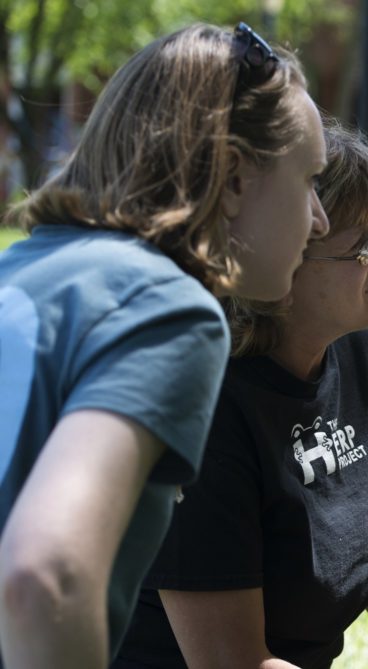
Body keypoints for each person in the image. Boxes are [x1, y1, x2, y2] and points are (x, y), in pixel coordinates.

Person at [0, 22, 328, 667]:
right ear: (234, 177)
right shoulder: (168, 308)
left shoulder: (26, 270)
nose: (318, 218)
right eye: (309, 179)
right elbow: (46, 575)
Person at [114, 123, 368, 669]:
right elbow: (235, 663)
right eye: (361, 243)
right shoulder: (203, 405)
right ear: (276, 264)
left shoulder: (359, 349)